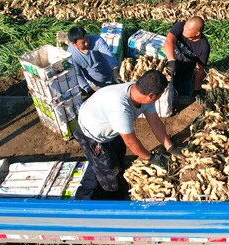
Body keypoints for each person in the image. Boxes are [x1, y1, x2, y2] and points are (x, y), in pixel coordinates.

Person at [73, 70, 184, 199]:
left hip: (110, 129)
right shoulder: (120, 107)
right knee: (108, 172)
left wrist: (170, 147)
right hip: (91, 134)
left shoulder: (141, 91)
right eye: (160, 95)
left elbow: (155, 122)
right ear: (152, 95)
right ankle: (90, 198)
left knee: (117, 156)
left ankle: (109, 175)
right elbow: (131, 142)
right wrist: (151, 158)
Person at [163, 16, 210, 104]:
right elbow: (169, 41)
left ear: (197, 33)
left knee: (182, 95)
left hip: (186, 71)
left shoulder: (203, 46)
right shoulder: (180, 26)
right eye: (185, 26)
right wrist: (171, 60)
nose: (184, 29)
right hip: (171, 62)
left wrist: (197, 89)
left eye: (188, 29)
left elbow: (201, 69)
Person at [67, 26, 120, 96]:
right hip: (96, 84)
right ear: (74, 44)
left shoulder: (97, 40)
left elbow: (108, 54)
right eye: (83, 42)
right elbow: (77, 74)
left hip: (112, 75)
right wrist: (88, 89)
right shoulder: (71, 55)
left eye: (87, 38)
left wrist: (115, 69)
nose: (87, 43)